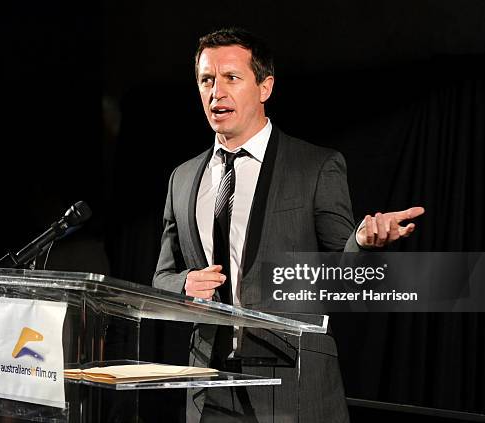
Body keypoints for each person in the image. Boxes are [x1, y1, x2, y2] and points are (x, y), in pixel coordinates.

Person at [153, 28, 424, 423]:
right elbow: (161, 277)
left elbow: (341, 278)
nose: (216, 92)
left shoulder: (314, 167)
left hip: (291, 386)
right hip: (208, 386)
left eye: (231, 78)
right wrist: (183, 284)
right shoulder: (183, 178)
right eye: (207, 80)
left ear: (265, 87)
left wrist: (362, 242)